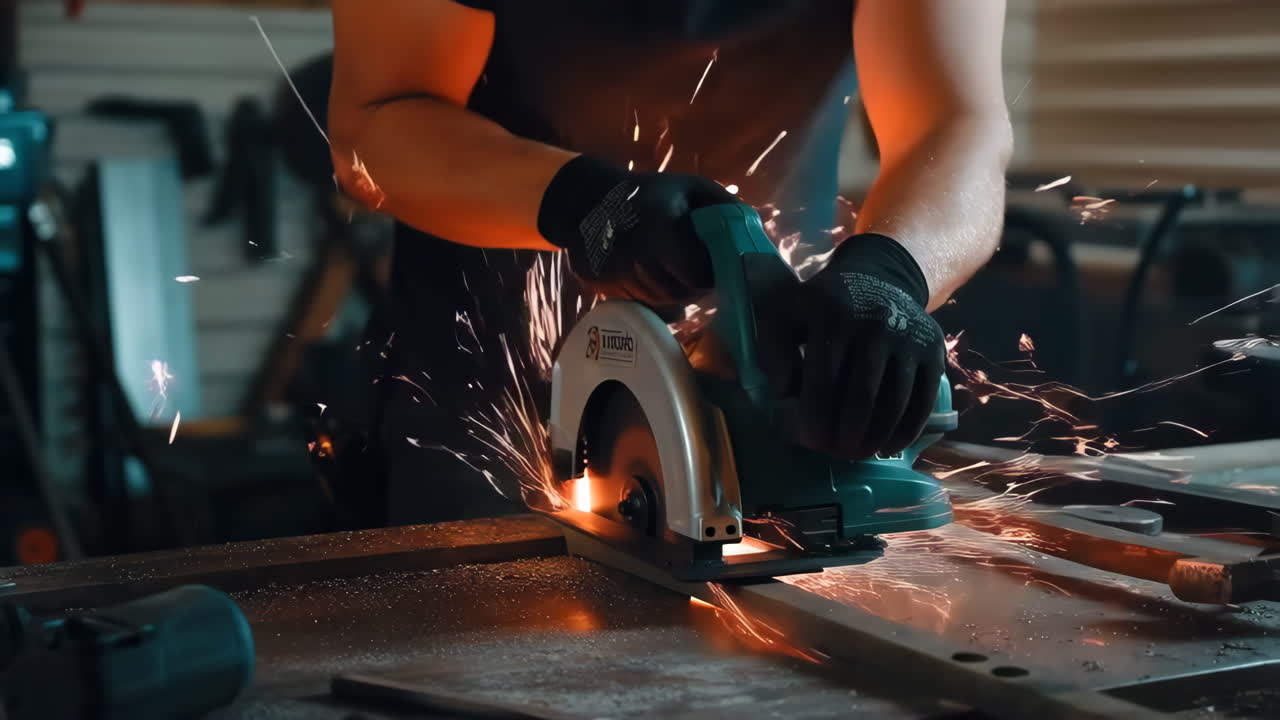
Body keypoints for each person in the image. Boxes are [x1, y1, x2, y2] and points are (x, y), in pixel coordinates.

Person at [327, 0, 1013, 525]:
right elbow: (377, 120)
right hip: (487, 397)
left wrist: (888, 273)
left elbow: (956, 124)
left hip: (780, 363)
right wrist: (581, 203)